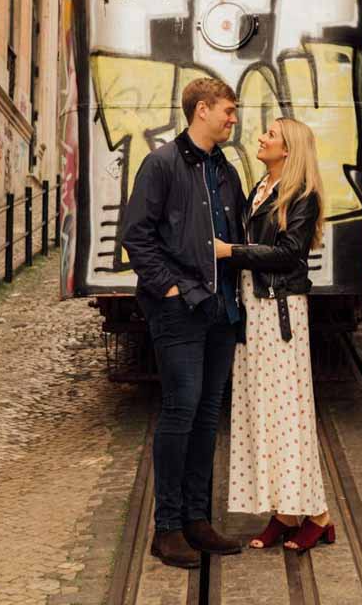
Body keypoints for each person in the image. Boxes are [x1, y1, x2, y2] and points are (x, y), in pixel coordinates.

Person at [122, 77, 247, 570]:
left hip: (220, 311)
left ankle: (197, 519)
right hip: (178, 310)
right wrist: (171, 287)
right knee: (180, 410)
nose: (233, 119)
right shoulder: (161, 164)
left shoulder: (226, 171)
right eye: (228, 111)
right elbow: (137, 235)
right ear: (201, 110)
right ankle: (167, 528)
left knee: (206, 414)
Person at [215, 117, 335, 553]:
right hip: (255, 308)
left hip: (280, 313)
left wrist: (233, 252)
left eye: (270, 135)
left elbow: (288, 255)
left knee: (289, 416)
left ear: (288, 149)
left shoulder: (301, 195)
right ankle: (285, 513)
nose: (260, 138)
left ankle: (318, 516)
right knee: (262, 412)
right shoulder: (261, 187)